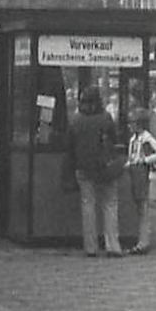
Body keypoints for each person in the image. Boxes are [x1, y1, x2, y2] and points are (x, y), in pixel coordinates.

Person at [66, 85, 124, 258]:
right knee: (110, 204)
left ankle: (90, 247)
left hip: (83, 168)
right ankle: (112, 245)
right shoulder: (106, 118)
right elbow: (114, 139)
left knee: (88, 205)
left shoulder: (76, 120)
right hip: (105, 167)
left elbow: (70, 145)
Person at [124, 107, 156, 256]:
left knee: (143, 208)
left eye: (132, 122)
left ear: (139, 124)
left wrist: (145, 160)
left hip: (142, 174)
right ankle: (142, 239)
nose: (129, 125)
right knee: (140, 208)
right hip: (135, 172)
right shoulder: (134, 139)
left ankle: (143, 241)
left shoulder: (146, 137)